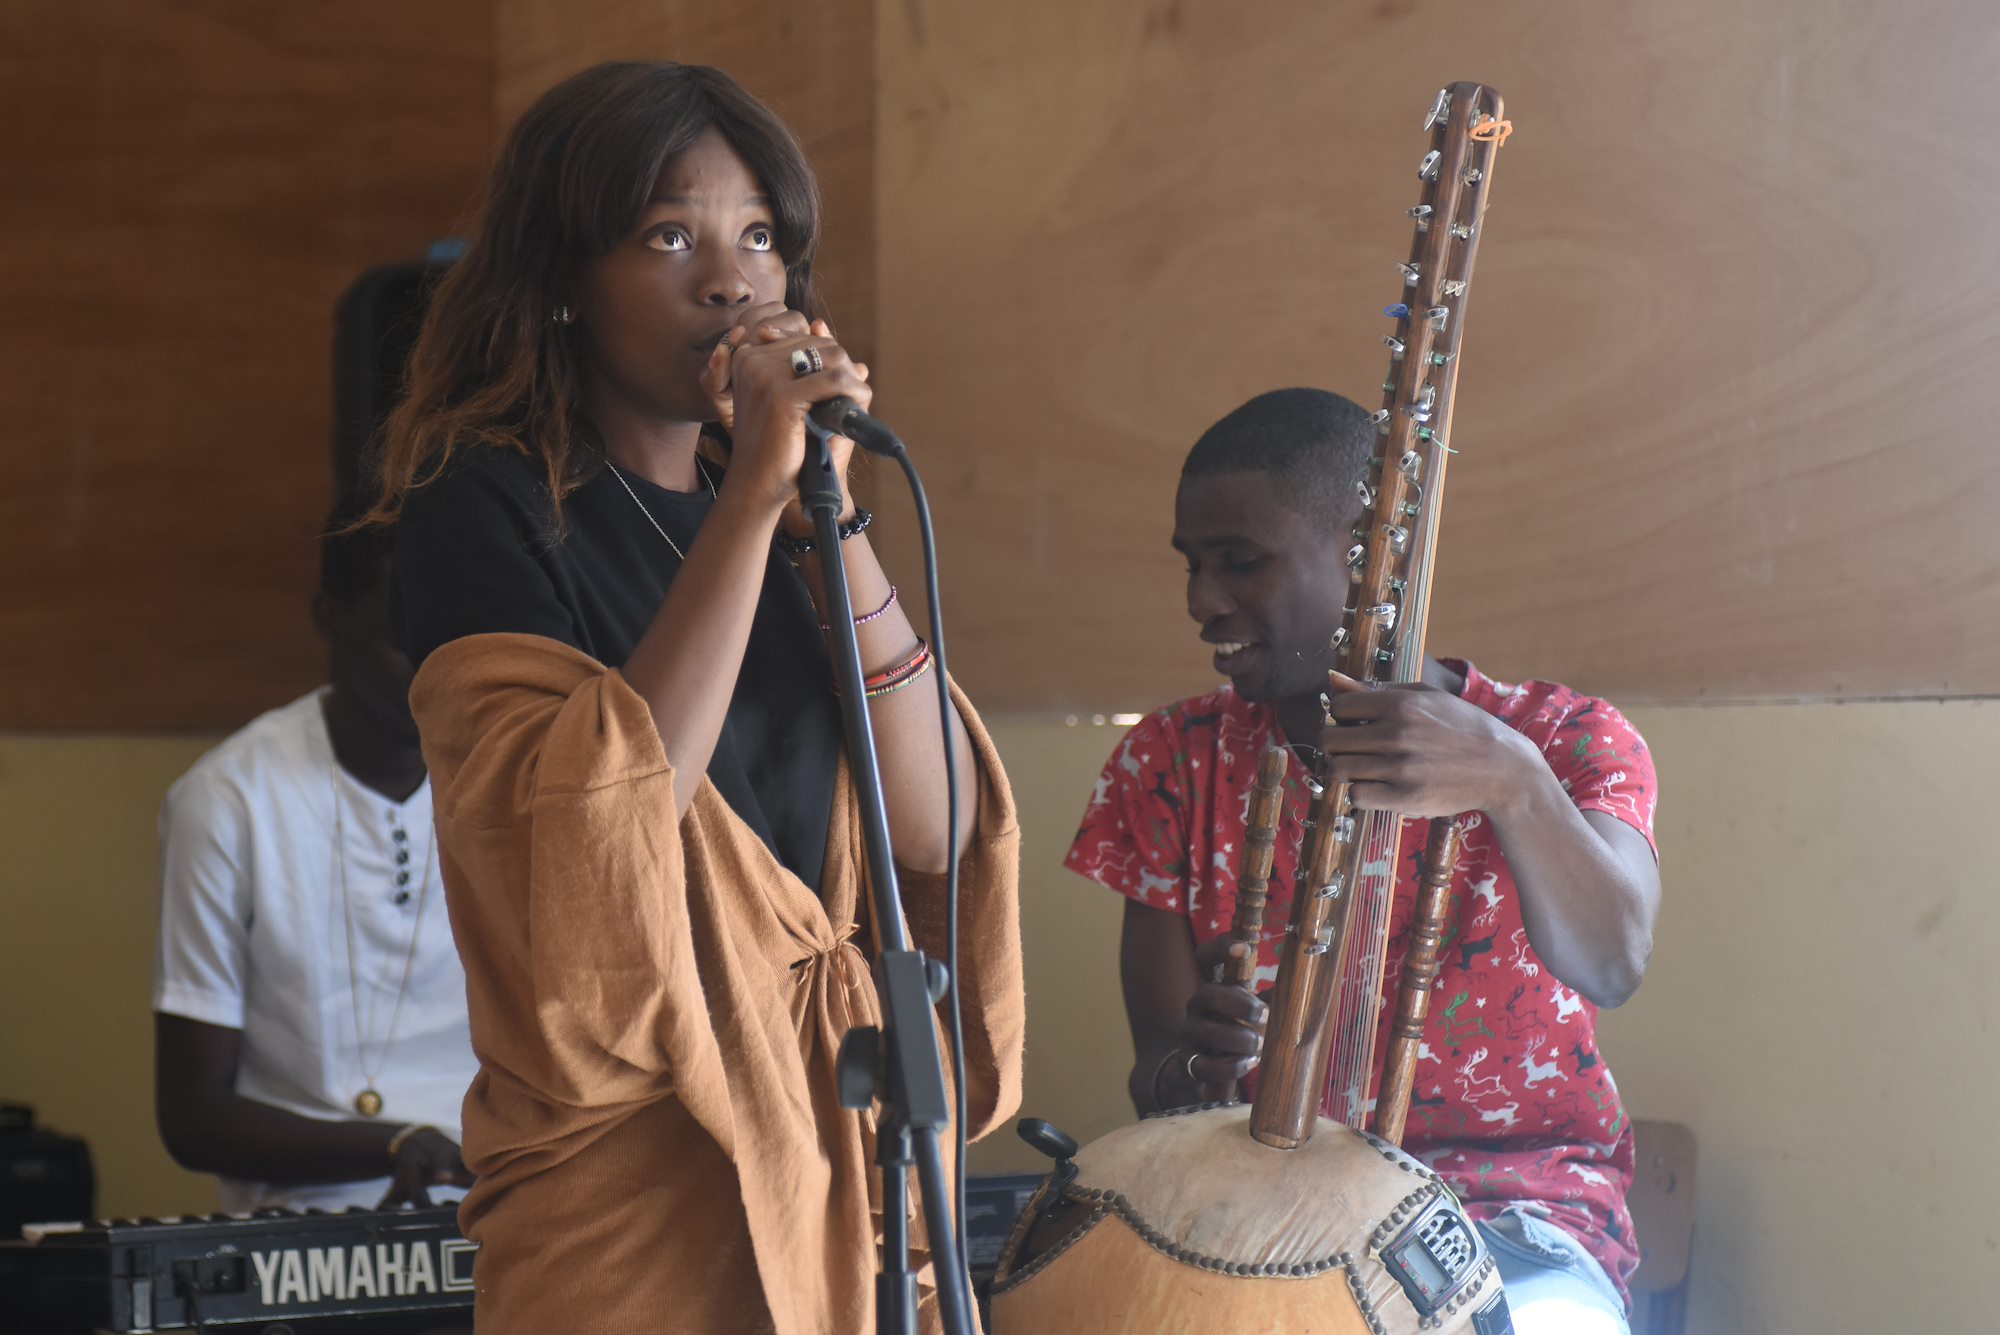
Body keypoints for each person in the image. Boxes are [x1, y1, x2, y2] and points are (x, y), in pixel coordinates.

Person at [363, 61, 1025, 1335]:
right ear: (562, 278)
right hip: (630, 1201)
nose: (730, 282)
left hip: (836, 1147)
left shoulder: (787, 511)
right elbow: (590, 849)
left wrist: (827, 509)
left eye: (759, 237)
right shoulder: (481, 502)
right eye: (670, 236)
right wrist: (752, 502)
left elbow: (935, 827)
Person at [1067, 388, 1662, 1335]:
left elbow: (1615, 962)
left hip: (1515, 1225)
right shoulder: (1173, 759)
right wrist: (1198, 1067)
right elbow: (1156, 1080)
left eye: (1241, 561)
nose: (1201, 601)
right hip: (1261, 1223)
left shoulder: (1563, 740)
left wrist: (1513, 782)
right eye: (1192, 563)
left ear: (1374, 553)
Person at [153, 514, 478, 1214]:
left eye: (449, 639)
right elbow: (191, 1116)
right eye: (404, 638)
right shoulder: (230, 800)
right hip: (307, 1223)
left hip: (495, 1207)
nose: (435, 669)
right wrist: (395, 1144)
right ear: (330, 618)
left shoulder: (506, 782)